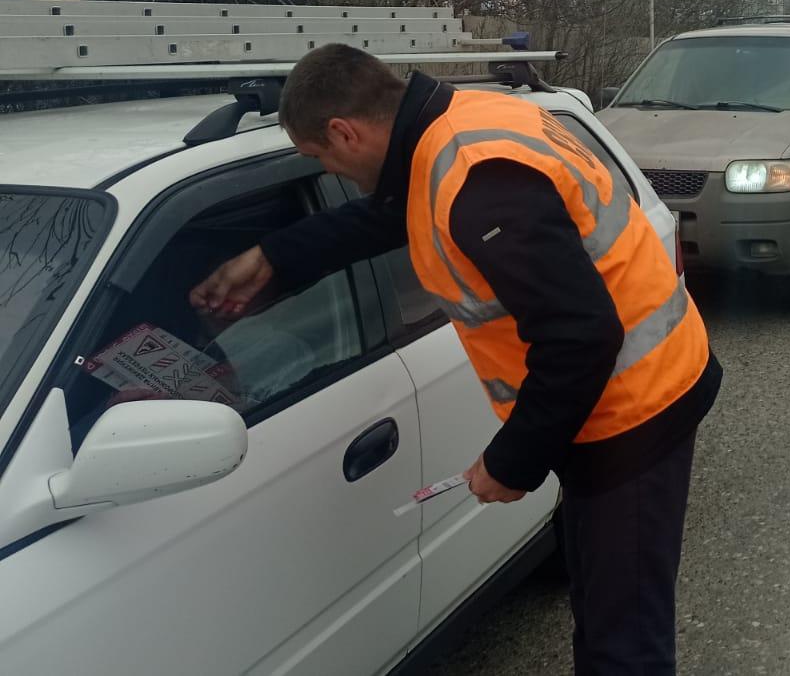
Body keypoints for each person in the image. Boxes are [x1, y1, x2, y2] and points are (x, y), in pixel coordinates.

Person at [190, 44, 721, 675]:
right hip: (619, 400)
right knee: (601, 601)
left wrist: (511, 462)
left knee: (624, 642)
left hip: (634, 413)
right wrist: (275, 257)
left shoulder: (475, 180)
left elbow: (580, 337)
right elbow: (384, 219)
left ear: (343, 131)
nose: (331, 170)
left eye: (320, 157)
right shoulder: (457, 125)